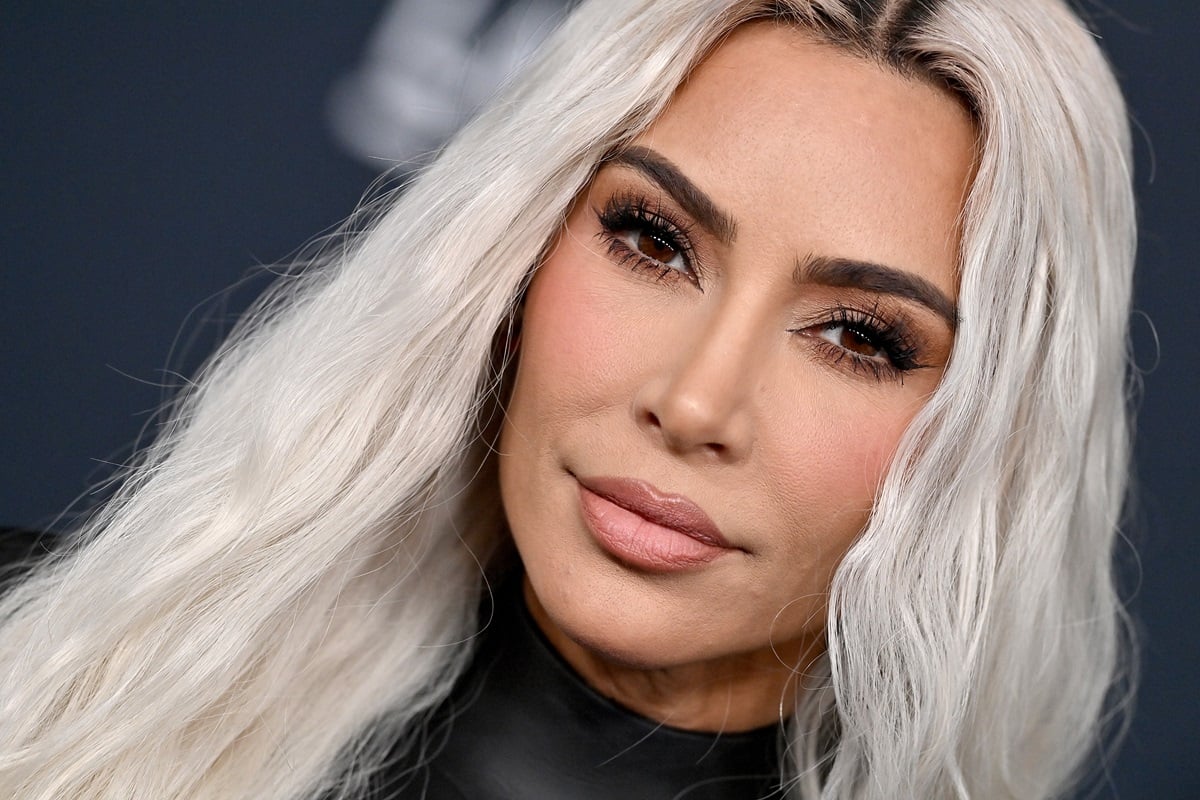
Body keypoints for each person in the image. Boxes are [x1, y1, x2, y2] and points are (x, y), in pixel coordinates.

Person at [0, 1, 1136, 798]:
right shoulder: (32, 667)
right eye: (652, 240)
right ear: (515, 254)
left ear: (988, 436)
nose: (694, 402)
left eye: (860, 336)